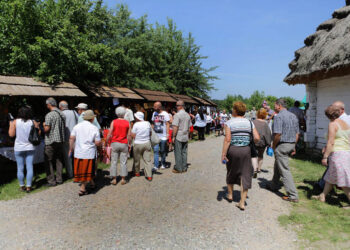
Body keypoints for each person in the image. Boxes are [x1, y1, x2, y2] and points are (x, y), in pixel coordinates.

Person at [221, 101, 260, 210]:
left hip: (233, 150)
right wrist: (250, 141)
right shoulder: (249, 122)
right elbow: (257, 137)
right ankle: (242, 202)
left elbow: (227, 139)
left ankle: (230, 194)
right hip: (246, 151)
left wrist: (223, 154)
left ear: (235, 110)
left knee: (231, 171)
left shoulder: (229, 123)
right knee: (245, 174)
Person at [312, 105, 350, 205]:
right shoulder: (345, 124)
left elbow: (331, 142)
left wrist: (325, 156)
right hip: (346, 152)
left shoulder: (333, 124)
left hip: (338, 154)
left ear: (328, 115)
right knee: (330, 177)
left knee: (343, 180)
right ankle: (322, 196)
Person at [267, 99, 300, 203]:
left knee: (284, 170)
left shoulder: (279, 117)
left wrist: (273, 145)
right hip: (290, 144)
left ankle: (293, 195)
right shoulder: (293, 116)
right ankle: (273, 185)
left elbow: (278, 134)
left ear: (279, 106)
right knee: (278, 165)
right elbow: (297, 134)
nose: (274, 108)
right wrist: (294, 146)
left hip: (282, 145)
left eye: (275, 106)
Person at [69, 110, 101, 196]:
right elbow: (97, 143)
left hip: (78, 152)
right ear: (92, 118)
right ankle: (82, 189)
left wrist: (71, 149)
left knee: (84, 170)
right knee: (86, 171)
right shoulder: (94, 128)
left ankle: (92, 184)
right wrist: (99, 146)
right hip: (89, 152)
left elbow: (71, 138)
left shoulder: (77, 126)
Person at [8, 106, 40, 193]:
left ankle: (22, 186)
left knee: (20, 168)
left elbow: (11, 134)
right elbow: (38, 133)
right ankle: (29, 186)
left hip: (19, 147)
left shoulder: (15, 122)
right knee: (30, 167)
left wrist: (11, 124)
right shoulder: (33, 122)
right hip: (30, 147)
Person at [44, 97, 66, 187]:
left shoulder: (49, 115)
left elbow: (47, 129)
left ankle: (51, 181)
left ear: (49, 104)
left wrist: (43, 126)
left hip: (51, 140)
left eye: (47, 104)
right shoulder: (61, 114)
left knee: (48, 161)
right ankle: (59, 179)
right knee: (59, 160)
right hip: (60, 140)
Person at [107, 107, 131, 185]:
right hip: (124, 143)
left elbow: (110, 132)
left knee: (114, 161)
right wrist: (129, 143)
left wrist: (106, 141)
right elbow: (129, 135)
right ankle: (123, 178)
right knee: (123, 162)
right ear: (124, 114)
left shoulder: (113, 122)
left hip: (115, 143)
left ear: (116, 113)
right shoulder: (127, 123)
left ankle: (114, 178)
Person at [131, 112, 153, 181]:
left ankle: (137, 172)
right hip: (147, 143)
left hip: (138, 143)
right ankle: (149, 175)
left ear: (137, 118)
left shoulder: (136, 125)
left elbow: (133, 135)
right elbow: (150, 133)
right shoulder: (147, 123)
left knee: (136, 159)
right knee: (147, 160)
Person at [59, 101, 78, 179]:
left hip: (66, 138)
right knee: (76, 156)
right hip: (75, 137)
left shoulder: (61, 114)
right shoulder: (74, 112)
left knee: (68, 157)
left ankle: (70, 174)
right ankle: (77, 172)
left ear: (60, 107)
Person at [172, 100, 192, 173]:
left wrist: (173, 136)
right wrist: (189, 135)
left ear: (180, 106)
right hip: (185, 134)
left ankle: (178, 168)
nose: (176, 107)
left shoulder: (177, 115)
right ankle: (184, 167)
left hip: (179, 135)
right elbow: (190, 127)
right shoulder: (187, 115)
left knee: (178, 152)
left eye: (177, 106)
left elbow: (175, 127)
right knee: (184, 152)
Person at [151, 102, 170, 171]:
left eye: (155, 106)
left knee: (162, 151)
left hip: (163, 136)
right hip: (156, 136)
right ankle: (156, 166)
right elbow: (153, 123)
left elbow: (167, 124)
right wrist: (151, 132)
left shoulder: (165, 114)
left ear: (159, 107)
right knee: (155, 151)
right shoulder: (154, 113)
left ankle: (163, 163)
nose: (153, 107)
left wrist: (167, 134)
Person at [253, 108, 272, 173]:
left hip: (253, 141)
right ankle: (259, 169)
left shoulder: (253, 122)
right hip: (262, 143)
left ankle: (254, 168)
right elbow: (268, 134)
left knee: (253, 155)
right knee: (260, 155)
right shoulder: (265, 124)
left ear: (257, 114)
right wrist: (269, 143)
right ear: (264, 115)